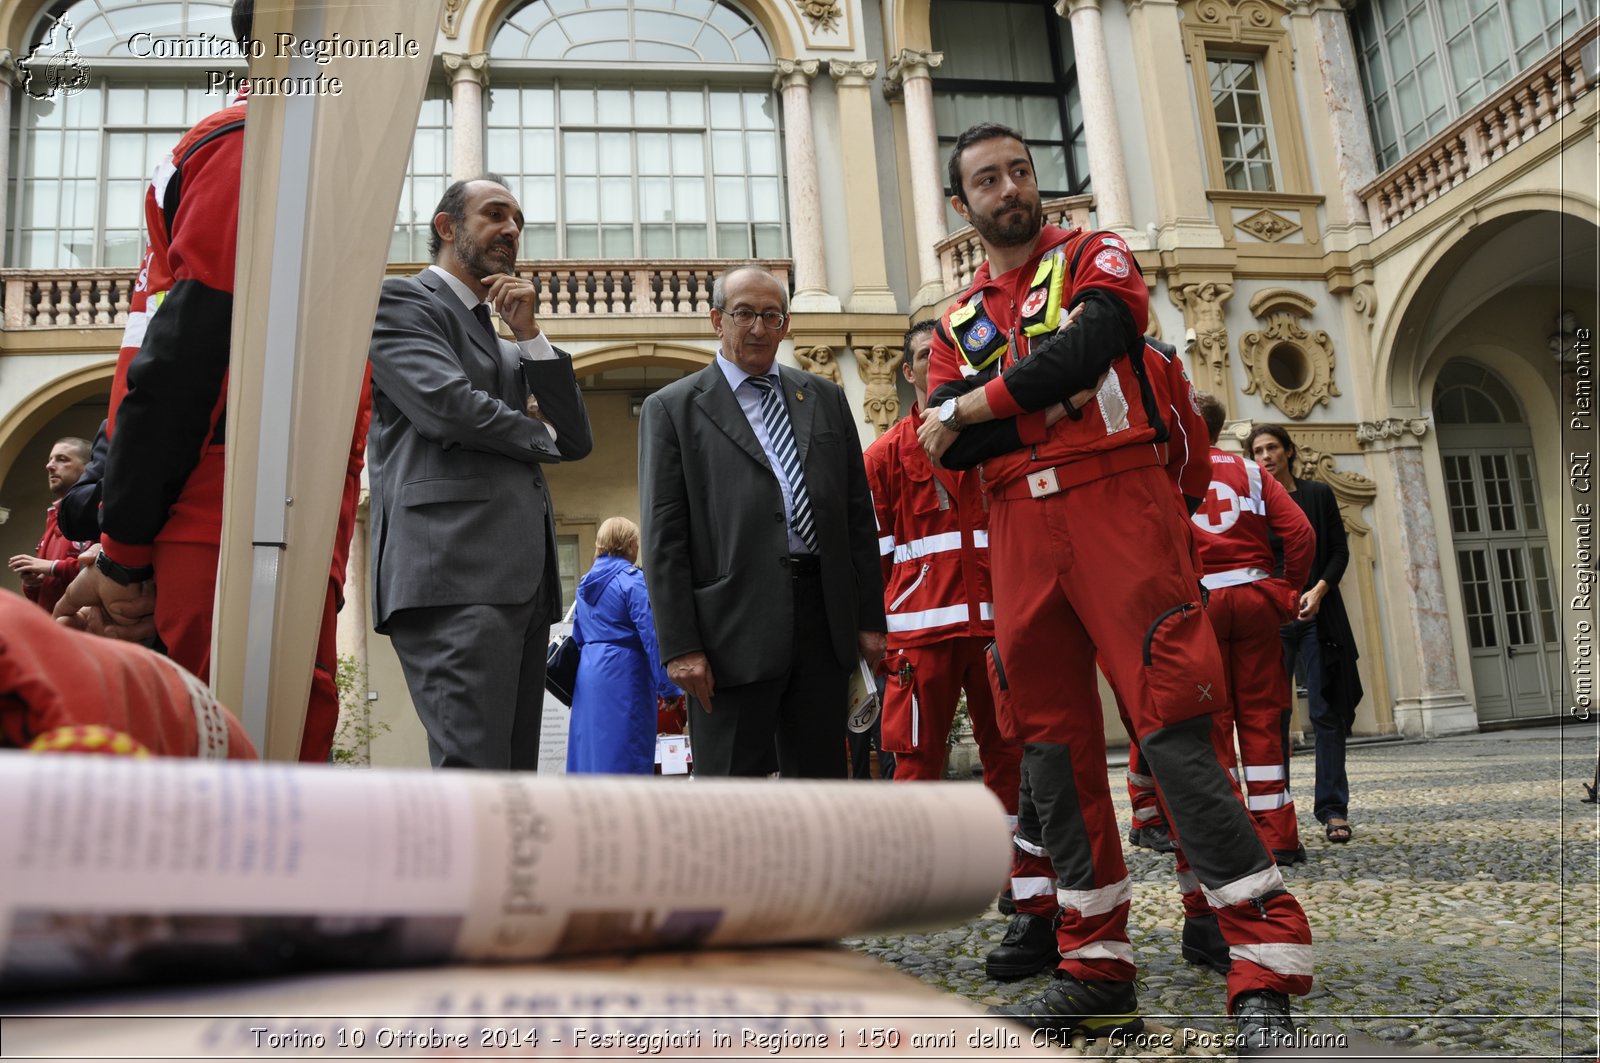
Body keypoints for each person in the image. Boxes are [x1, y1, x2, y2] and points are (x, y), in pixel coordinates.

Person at [915, 122, 1311, 1048]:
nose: (1010, 185)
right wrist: (1041, 404)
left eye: (1021, 169)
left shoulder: (1097, 251)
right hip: (1018, 531)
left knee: (1175, 733)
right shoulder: (953, 321)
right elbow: (954, 446)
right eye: (987, 177)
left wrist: (981, 403)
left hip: (1119, 510)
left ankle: (1264, 969)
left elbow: (1093, 343)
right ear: (960, 205)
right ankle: (1096, 966)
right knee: (1050, 752)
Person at [52, 0, 370, 764]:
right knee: (243, 783)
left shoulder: (290, 143)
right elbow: (188, 352)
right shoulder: (259, 142)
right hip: (230, 513)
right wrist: (126, 545)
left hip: (249, 505)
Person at [367, 175, 592, 771]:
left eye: (518, 219)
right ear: (447, 228)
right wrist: (533, 431)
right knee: (473, 774)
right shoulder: (402, 301)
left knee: (511, 778)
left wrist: (530, 335)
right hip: (453, 575)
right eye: (495, 215)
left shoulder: (503, 341)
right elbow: (448, 406)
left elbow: (576, 440)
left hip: (518, 586)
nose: (511, 230)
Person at [638, 264, 887, 778]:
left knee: (820, 785)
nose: (757, 328)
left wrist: (869, 620)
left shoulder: (824, 397)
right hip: (729, 633)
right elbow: (664, 539)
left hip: (823, 623)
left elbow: (857, 518)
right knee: (732, 791)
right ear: (716, 320)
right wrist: (681, 647)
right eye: (744, 314)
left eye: (770, 315)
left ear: (787, 324)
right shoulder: (673, 409)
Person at [863, 320, 1021, 803]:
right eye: (930, 355)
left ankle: (1018, 873)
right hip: (920, 636)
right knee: (915, 759)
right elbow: (873, 557)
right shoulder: (884, 457)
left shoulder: (1000, 440)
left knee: (1011, 755)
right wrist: (876, 632)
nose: (942, 363)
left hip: (999, 625)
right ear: (909, 372)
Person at [1189, 394, 1315, 866]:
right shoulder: (1253, 472)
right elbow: (1300, 533)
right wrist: (1288, 590)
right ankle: (1280, 837)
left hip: (1201, 604)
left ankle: (1232, 837)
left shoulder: (1172, 470)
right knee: (1263, 717)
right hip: (1256, 598)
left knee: (1213, 722)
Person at [1249, 422, 1363, 845]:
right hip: (1272, 622)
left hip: (1319, 615)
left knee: (1325, 713)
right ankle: (1275, 813)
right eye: (1258, 450)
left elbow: (1338, 551)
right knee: (1271, 718)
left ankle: (1333, 809)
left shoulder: (1316, 495)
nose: (1266, 456)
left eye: (1272, 447)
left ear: (1288, 451)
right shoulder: (1253, 503)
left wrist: (1318, 590)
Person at [565, 517, 680, 775]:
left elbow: (578, 637)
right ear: (629, 545)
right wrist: (668, 686)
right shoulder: (632, 580)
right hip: (624, 673)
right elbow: (651, 635)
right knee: (627, 751)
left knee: (591, 755)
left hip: (588, 675)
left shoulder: (584, 585)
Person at [9, 437, 92, 613]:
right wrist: (32, 583)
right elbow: (43, 597)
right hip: (51, 628)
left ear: (88, 468)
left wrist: (52, 567)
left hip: (83, 630)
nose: (49, 466)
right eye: (50, 459)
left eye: (62, 459)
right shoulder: (53, 517)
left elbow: (103, 571)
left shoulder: (96, 515)